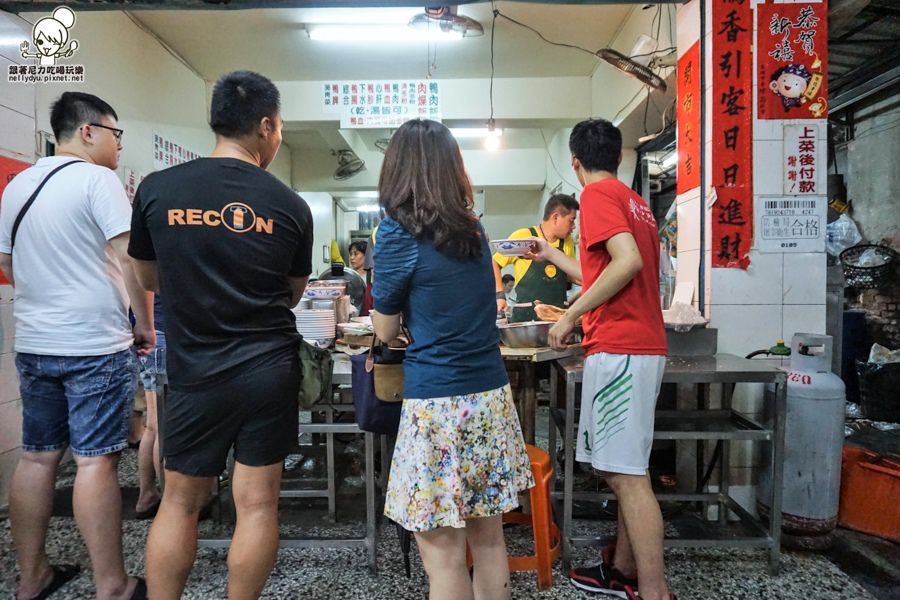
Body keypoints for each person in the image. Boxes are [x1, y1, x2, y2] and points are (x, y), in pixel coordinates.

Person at [128, 70, 313, 600]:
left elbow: (148, 278)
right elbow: (292, 294)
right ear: (264, 125)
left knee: (180, 501)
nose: (277, 138)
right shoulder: (288, 206)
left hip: (194, 368)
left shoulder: (159, 190)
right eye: (278, 128)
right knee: (256, 503)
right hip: (268, 369)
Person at [371, 119, 534, 600]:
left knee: (440, 551)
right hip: (489, 396)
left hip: (437, 405)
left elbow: (383, 329)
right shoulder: (475, 231)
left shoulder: (397, 233)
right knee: (488, 539)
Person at [0, 92, 152, 600]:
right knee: (94, 462)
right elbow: (130, 259)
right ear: (88, 132)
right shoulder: (97, 180)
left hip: (35, 340)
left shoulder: (18, 184)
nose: (118, 145)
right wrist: (145, 324)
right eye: (116, 134)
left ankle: (31, 577)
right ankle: (112, 584)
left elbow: (6, 264)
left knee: (37, 459)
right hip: (93, 343)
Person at [527, 119, 674, 600]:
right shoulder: (635, 202)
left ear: (575, 161)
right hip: (643, 344)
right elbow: (607, 269)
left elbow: (626, 263)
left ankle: (653, 591)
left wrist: (570, 315)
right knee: (631, 468)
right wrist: (550, 252)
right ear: (619, 156)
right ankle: (626, 569)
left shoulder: (595, 197)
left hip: (623, 347)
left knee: (625, 477)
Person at [492, 193, 579, 322]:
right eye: (571, 220)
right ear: (556, 217)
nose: (574, 227)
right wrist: (500, 295)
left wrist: (591, 281)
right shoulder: (524, 237)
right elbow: (495, 262)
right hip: (526, 319)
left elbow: (568, 273)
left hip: (557, 320)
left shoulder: (568, 242)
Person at [134, 295, 166, 519]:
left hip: (149, 337)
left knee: (152, 426)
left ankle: (147, 494)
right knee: (164, 426)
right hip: (166, 333)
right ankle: (171, 498)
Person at [349, 239, 372, 315]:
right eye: (350, 254)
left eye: (356, 254)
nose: (352, 258)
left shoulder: (372, 277)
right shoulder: (348, 277)